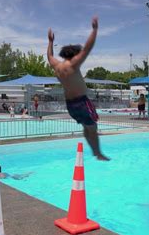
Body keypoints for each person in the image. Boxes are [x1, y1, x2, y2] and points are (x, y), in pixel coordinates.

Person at [47, 16, 109, 161]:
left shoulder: (57, 66)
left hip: (70, 105)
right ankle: (98, 153)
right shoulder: (73, 64)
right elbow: (88, 48)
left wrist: (50, 42)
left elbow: (49, 56)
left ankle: (95, 152)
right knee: (92, 128)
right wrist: (94, 30)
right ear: (74, 54)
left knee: (86, 127)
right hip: (82, 102)